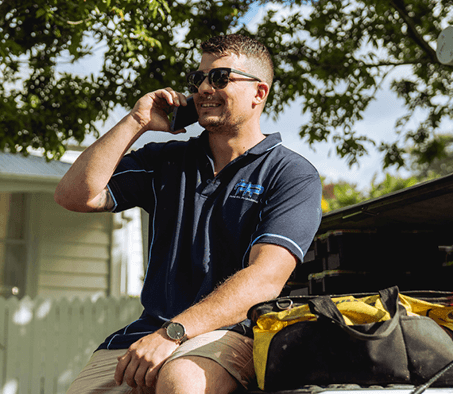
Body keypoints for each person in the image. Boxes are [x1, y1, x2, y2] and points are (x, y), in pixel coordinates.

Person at [55, 34, 323, 394]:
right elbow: (74, 195)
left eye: (220, 77)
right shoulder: (166, 161)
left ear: (259, 93)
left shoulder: (290, 174)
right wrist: (135, 121)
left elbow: (264, 279)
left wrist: (174, 332)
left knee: (179, 380)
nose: (203, 89)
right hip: (148, 335)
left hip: (235, 332)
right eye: (198, 79)